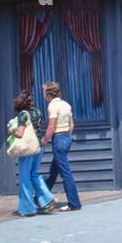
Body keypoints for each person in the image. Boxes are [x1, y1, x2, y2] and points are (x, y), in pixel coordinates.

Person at [7, 90, 56, 217]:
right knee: (34, 173)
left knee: (24, 177)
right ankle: (47, 199)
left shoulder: (22, 115)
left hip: (28, 148)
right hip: (38, 146)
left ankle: (27, 209)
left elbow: (20, 134)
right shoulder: (37, 112)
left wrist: (11, 129)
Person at [40, 81, 82, 211]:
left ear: (48, 94)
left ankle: (74, 203)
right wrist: (65, 137)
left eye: (44, 92)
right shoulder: (66, 104)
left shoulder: (52, 106)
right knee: (54, 171)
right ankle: (41, 197)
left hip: (58, 138)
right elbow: (72, 125)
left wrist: (44, 140)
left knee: (65, 173)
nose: (44, 95)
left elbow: (51, 126)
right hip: (66, 138)